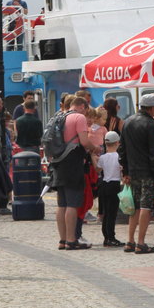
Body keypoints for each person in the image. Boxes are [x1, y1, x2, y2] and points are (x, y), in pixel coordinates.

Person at [118, 94, 154, 254]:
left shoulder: (128, 121)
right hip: (147, 172)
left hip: (132, 172)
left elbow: (121, 150)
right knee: (145, 206)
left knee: (134, 207)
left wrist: (125, 171)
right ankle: (141, 243)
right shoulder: (151, 125)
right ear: (151, 108)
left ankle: (130, 241)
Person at [52, 96, 96, 250]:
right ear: (82, 106)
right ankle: (72, 240)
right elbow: (84, 141)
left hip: (58, 163)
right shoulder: (79, 117)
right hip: (72, 162)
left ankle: (62, 240)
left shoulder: (59, 116)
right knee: (72, 203)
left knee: (61, 203)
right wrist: (95, 148)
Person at [95, 131, 123, 247]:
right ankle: (111, 237)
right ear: (117, 143)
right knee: (112, 213)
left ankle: (106, 237)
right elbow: (122, 170)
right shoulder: (118, 157)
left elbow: (98, 170)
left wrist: (93, 157)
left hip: (104, 185)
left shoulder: (102, 157)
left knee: (106, 213)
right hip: (114, 184)